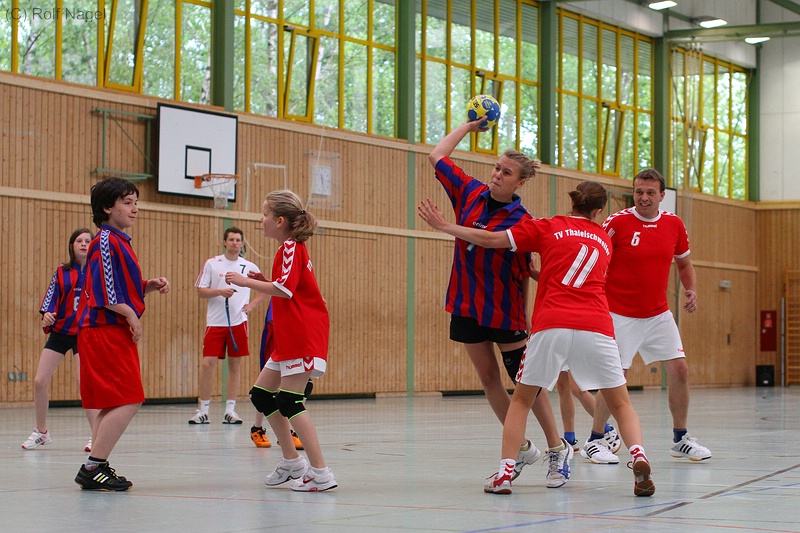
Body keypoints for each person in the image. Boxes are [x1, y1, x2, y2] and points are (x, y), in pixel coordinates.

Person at [418, 181, 655, 497]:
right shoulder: (604, 240)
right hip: (596, 325)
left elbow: (491, 239)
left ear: (572, 202)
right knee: (621, 403)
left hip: (552, 323)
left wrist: (446, 226)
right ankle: (638, 456)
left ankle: (505, 474)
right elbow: (578, 278)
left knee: (521, 400)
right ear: (599, 211)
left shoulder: (548, 226)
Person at [428, 119, 563, 482]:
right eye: (497, 168)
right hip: (465, 304)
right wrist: (469, 126)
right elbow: (437, 155)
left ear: (520, 183)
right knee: (488, 378)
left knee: (527, 383)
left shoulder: (523, 221)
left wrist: (530, 315)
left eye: (506, 172)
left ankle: (557, 449)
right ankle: (520, 448)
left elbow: (525, 268)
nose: (497, 175)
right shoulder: (469, 192)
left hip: (505, 311)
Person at [580, 168, 711, 464]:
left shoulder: (674, 224)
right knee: (616, 378)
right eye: (639, 191)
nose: (644, 197)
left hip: (657, 314)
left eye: (651, 192)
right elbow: (595, 256)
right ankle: (595, 440)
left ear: (662, 196)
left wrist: (691, 289)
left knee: (680, 370)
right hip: (618, 314)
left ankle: (680, 439)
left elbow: (684, 263)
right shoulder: (617, 222)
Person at [226, 189, 336, 492]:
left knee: (290, 401)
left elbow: (285, 289)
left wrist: (245, 281)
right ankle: (291, 462)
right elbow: (290, 287)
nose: (260, 220)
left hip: (302, 333)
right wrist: (260, 281)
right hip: (288, 335)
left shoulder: (290, 247)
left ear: (279, 220)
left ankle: (321, 472)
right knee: (262, 395)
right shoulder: (287, 249)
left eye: (264, 214)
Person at [74, 177, 170, 491]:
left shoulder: (119, 241)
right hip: (103, 329)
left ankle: (95, 466)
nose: (135, 209)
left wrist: (147, 286)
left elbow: (118, 285)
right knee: (130, 399)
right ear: (107, 207)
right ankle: (93, 467)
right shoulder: (105, 240)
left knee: (113, 402)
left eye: (135, 203)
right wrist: (130, 314)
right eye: (127, 203)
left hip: (107, 329)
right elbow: (103, 290)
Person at [22, 228, 100, 452]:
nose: (83, 244)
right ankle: (41, 432)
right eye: (79, 240)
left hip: (84, 333)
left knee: (84, 385)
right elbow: (51, 298)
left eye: (88, 241)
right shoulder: (61, 272)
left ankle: (96, 435)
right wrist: (47, 314)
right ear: (71, 246)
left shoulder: (98, 273)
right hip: (60, 332)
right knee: (39, 381)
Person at [188, 228, 267, 425]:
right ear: (225, 242)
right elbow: (200, 291)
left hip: (238, 323)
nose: (234, 243)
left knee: (234, 366)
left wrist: (252, 305)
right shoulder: (212, 263)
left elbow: (265, 288)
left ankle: (230, 411)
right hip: (215, 323)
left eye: (238, 240)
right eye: (231, 239)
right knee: (207, 364)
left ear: (242, 243)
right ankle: (203, 410)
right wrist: (220, 292)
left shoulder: (249, 266)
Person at [250, 300, 304, 450]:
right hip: (278, 333)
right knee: (265, 390)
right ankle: (257, 428)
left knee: (303, 385)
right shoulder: (281, 294)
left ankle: (291, 432)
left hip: (297, 333)